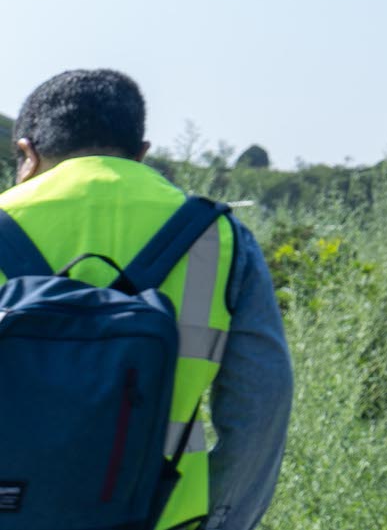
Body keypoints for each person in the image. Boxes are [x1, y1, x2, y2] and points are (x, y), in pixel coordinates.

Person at [4, 69, 293, 530]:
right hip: (161, 516)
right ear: (141, 154)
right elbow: (261, 404)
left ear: (27, 152)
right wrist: (222, 517)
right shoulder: (216, 236)